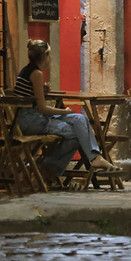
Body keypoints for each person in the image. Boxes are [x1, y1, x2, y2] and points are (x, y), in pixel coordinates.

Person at [14, 39, 121, 185]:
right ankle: (48, 166)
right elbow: (42, 108)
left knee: (79, 119)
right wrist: (64, 111)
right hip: (31, 121)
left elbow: (32, 98)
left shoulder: (26, 71)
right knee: (77, 133)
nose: (50, 59)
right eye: (49, 55)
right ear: (45, 56)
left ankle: (95, 157)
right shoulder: (37, 74)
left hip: (29, 118)